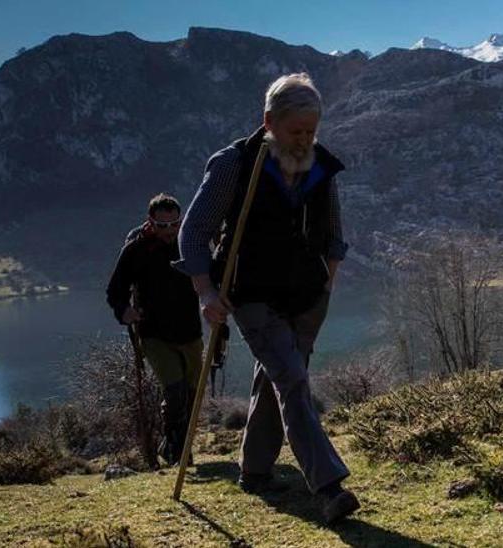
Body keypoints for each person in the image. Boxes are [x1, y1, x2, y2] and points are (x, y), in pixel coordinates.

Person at [172, 73, 359, 524]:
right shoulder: (234, 165)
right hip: (252, 295)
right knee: (292, 380)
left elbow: (333, 233)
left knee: (277, 379)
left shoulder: (321, 166)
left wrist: (328, 282)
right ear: (269, 121)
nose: (304, 139)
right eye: (296, 131)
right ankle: (329, 487)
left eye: (311, 131)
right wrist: (206, 292)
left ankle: (254, 472)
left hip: (308, 295)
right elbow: (193, 232)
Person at [106, 193, 203, 466]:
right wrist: (124, 311)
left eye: (174, 224)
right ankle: (180, 453)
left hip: (191, 332)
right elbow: (115, 290)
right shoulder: (136, 250)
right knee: (175, 389)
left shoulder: (191, 242)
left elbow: (212, 275)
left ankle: (173, 444)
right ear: (151, 223)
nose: (170, 230)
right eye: (163, 226)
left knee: (192, 395)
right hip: (154, 334)